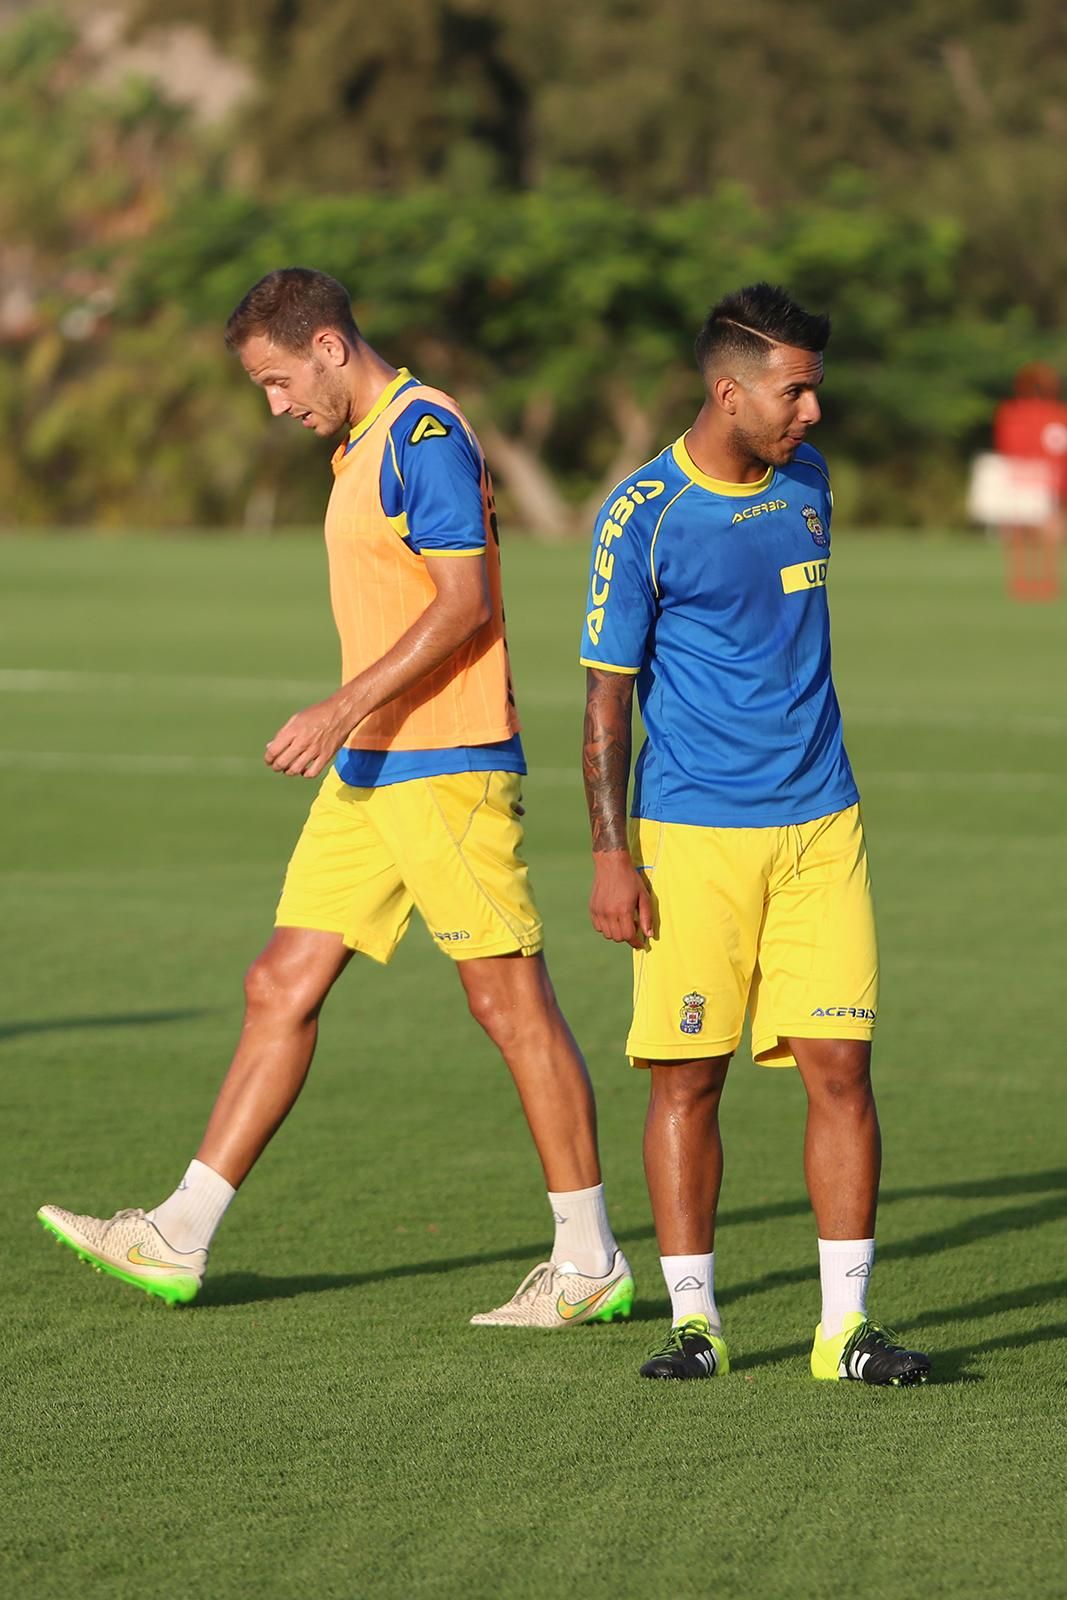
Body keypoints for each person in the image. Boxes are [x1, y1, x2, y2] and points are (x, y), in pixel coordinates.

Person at [38, 267, 633, 1330]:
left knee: (507, 1003)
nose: (273, 405)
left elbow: (466, 601)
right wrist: (353, 723)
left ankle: (588, 1257)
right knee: (280, 982)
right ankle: (180, 1231)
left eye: (275, 380)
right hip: (375, 766)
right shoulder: (357, 446)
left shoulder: (423, 436)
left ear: (325, 345)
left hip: (444, 762)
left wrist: (336, 705)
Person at [579, 282, 929, 1384]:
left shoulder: (807, 483)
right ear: (726, 393)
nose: (811, 413)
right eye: (794, 391)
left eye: (814, 390)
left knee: (840, 1067)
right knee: (686, 1078)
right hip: (689, 839)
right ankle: (696, 1321)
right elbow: (603, 704)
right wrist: (608, 854)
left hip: (821, 823)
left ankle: (844, 1330)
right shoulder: (640, 516)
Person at [991, 362, 1067, 601]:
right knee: (1044, 534)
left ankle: (1025, 581)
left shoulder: (1011, 413)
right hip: (1045, 479)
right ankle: (1041, 581)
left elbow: (1005, 447)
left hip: (1022, 477)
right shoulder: (1059, 414)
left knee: (1020, 534)